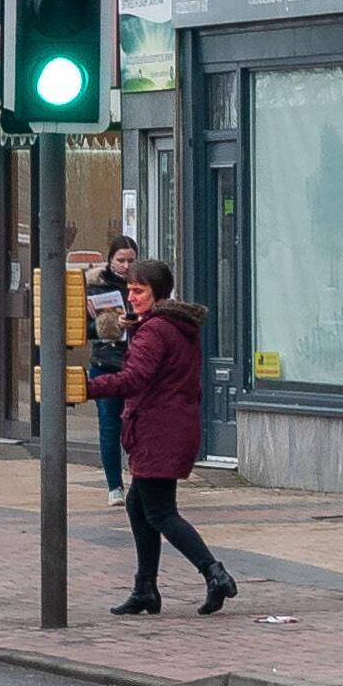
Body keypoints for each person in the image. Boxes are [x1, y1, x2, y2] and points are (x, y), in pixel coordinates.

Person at [82, 257, 237, 616]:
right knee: (138, 507)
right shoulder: (174, 325)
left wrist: (86, 388)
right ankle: (146, 589)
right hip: (171, 426)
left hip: (157, 430)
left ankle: (214, 573)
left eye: (139, 291)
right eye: (130, 289)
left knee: (161, 512)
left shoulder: (155, 330)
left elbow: (135, 378)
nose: (131, 297)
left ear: (158, 293)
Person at [86, 236, 140, 496]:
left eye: (131, 260)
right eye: (121, 260)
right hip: (106, 361)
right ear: (110, 260)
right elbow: (83, 330)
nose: (126, 266)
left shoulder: (143, 286)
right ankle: (114, 486)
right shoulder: (96, 287)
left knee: (138, 425)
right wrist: (108, 325)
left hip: (137, 364)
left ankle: (139, 481)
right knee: (109, 426)